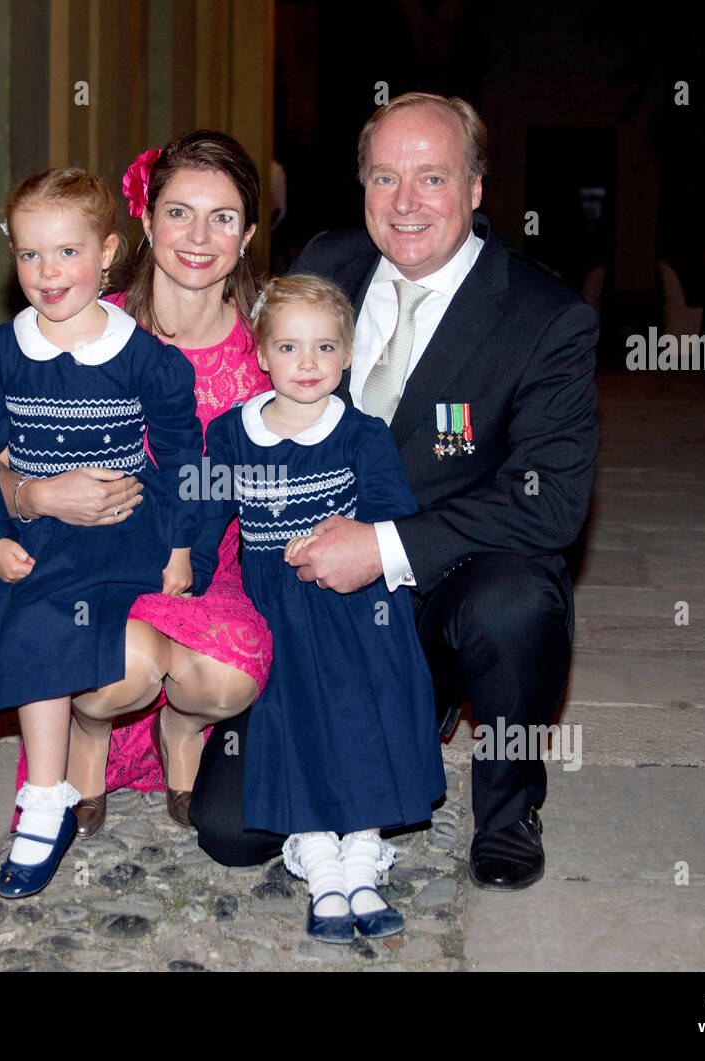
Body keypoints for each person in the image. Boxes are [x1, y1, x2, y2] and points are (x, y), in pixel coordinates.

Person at [191, 93, 599, 892]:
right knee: (234, 831)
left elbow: (548, 499)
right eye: (385, 178)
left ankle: (509, 808)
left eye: (432, 177)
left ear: (477, 187)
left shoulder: (545, 318)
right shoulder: (323, 263)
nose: (406, 203)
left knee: (519, 598)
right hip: (304, 607)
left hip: (441, 594)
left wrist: (379, 546)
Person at [0, 168, 203, 898]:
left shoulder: (146, 359)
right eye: (30, 255)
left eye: (67, 253)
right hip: (31, 530)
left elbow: (184, 458)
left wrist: (178, 543)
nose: (47, 273)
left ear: (107, 253)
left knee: (38, 623)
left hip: (114, 532)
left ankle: (47, 799)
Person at [0, 132, 272, 839]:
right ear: (146, 224)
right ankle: (90, 735)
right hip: (91, 567)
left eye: (223, 216)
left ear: (247, 234)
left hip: (208, 574)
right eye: (179, 212)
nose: (199, 236)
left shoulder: (271, 352)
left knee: (227, 675)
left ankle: (181, 733)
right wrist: (37, 494)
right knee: (122, 666)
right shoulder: (82, 320)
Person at [189, 275, 444, 941]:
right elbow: (205, 516)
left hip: (354, 604)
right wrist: (180, 572)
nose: (308, 364)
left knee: (365, 698)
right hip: (276, 606)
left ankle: (362, 846)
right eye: (291, 347)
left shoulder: (361, 434)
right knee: (288, 705)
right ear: (262, 354)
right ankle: (317, 855)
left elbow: (392, 514)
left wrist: (346, 531)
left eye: (325, 347)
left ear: (349, 354)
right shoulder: (230, 435)